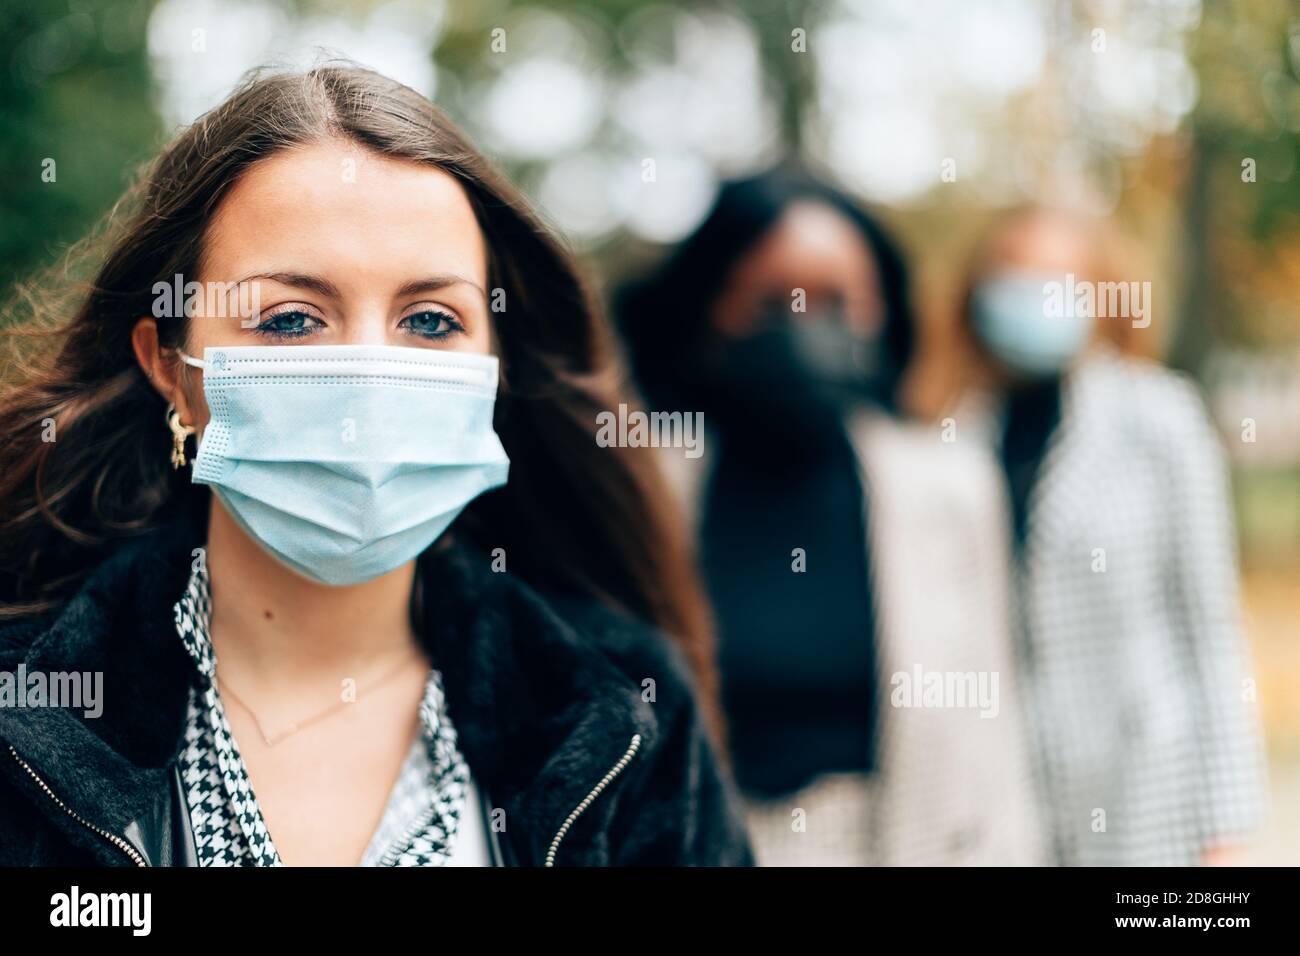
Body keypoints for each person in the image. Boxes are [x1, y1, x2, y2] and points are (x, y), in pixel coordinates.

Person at [0, 64, 752, 867]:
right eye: (291, 319)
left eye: (431, 320)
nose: (367, 375)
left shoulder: (621, 709)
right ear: (172, 369)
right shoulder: (27, 711)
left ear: (497, 364)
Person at [616, 169, 1042, 865]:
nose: (808, 325)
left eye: (839, 300)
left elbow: (997, 731)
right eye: (774, 298)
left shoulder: (951, 486)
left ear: (883, 312)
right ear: (710, 306)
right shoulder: (644, 488)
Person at [954, 205, 1268, 866]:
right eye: (1014, 275)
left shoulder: (1160, 419)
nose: (1032, 297)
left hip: (1151, 799)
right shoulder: (954, 435)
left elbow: (1210, 631)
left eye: (1056, 279)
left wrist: (1226, 832)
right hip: (1013, 809)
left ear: (1098, 293)